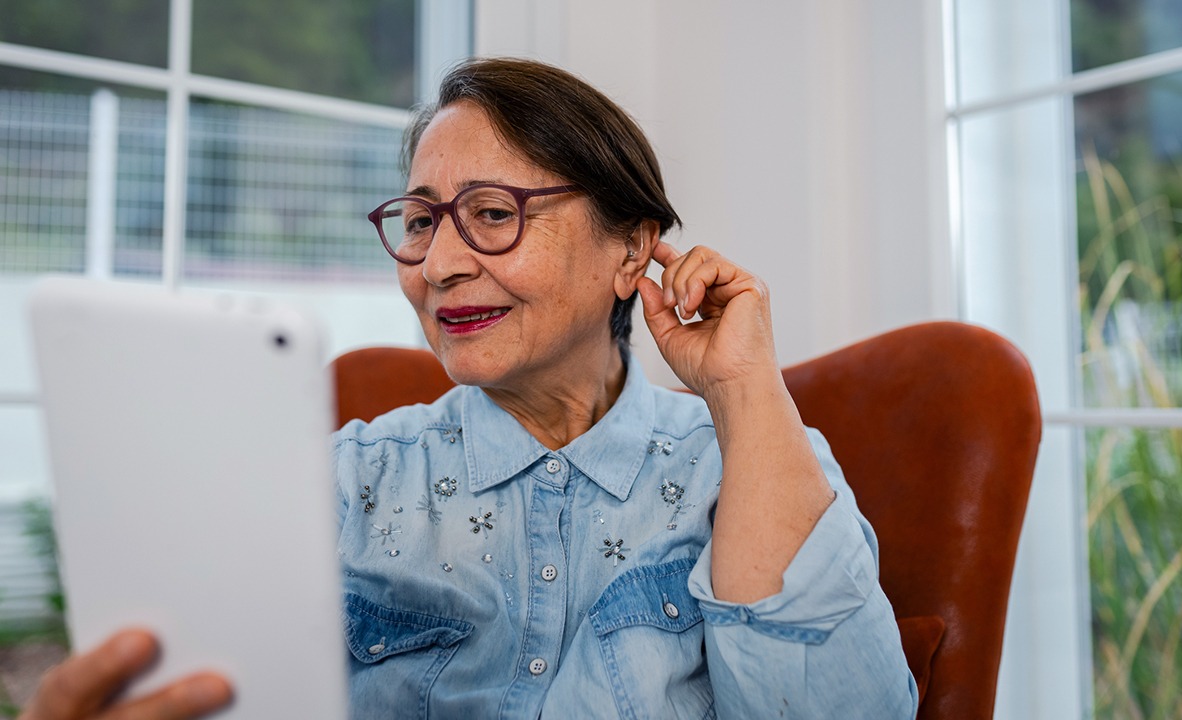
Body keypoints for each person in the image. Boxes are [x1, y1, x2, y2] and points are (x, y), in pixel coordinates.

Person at [21, 58, 918, 719]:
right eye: (419, 222)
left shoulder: (751, 467)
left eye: (493, 214)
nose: (439, 266)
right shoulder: (338, 486)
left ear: (632, 251)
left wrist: (746, 386)